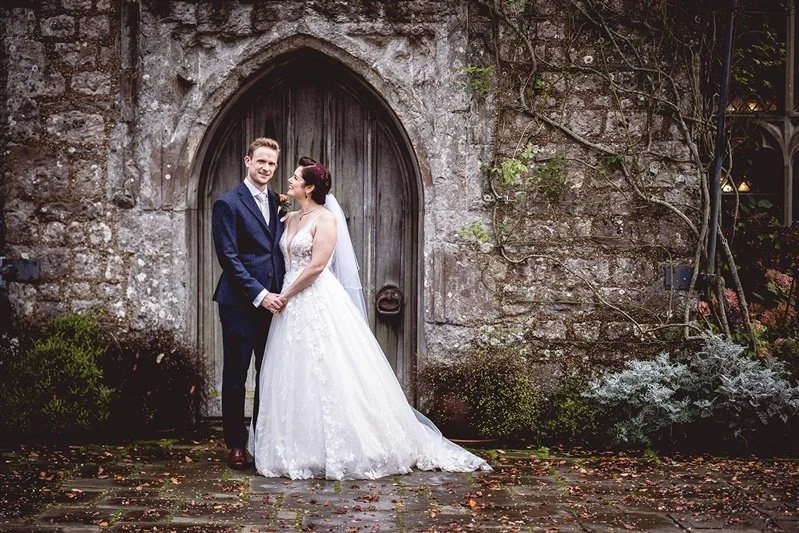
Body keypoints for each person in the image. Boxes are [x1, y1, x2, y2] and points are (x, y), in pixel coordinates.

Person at [248, 158, 491, 480]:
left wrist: (285, 295)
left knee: (329, 370)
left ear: (309, 188)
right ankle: (295, 444)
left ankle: (347, 444)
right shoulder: (290, 217)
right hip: (288, 307)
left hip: (313, 299)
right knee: (293, 372)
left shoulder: (327, 220)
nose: (288, 181)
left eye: (294, 178)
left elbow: (316, 267)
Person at [212, 137, 286, 470]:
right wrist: (259, 293)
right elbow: (228, 257)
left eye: (271, 163)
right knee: (236, 374)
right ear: (247, 161)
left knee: (267, 373)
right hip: (240, 302)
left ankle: (259, 438)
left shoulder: (278, 202)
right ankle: (236, 444)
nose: (266, 168)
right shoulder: (228, 203)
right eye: (261, 162)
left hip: (275, 304)